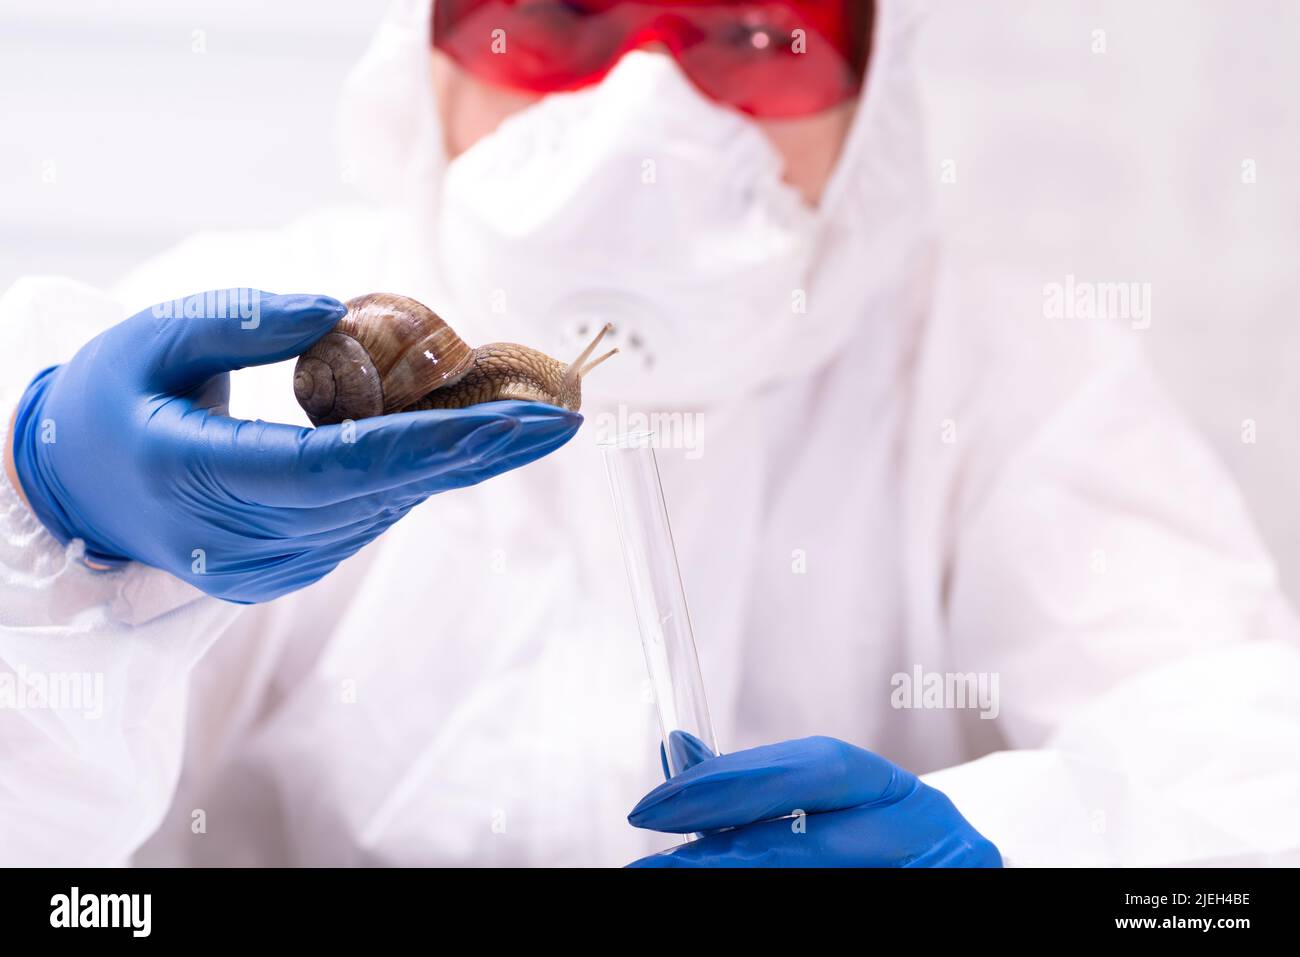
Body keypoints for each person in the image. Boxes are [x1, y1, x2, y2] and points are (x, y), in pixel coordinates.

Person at [1, 0, 1297, 867]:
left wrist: (1023, 850)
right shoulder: (247, 339)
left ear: (873, 88)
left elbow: (1244, 790)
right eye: (561, 13)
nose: (640, 116)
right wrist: (50, 508)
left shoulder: (1005, 378)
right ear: (428, 53)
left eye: (748, 31)